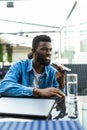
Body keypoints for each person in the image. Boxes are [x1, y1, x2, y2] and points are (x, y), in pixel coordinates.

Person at [0, 35, 65, 98]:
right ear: (33, 51)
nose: (48, 53)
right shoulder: (19, 66)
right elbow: (3, 87)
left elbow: (59, 99)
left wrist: (61, 84)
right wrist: (37, 91)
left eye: (50, 50)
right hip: (21, 107)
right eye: (44, 49)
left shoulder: (53, 72)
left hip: (44, 108)